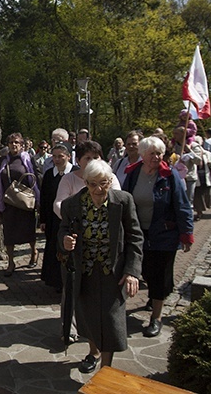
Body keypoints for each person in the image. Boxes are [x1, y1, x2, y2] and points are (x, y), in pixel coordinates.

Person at [58, 160, 143, 373]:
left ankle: (106, 367)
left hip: (112, 271)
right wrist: (65, 240)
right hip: (84, 270)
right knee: (87, 315)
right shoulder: (72, 205)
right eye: (93, 184)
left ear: (111, 181)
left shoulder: (123, 201)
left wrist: (132, 271)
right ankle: (93, 351)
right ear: (85, 183)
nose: (98, 189)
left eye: (103, 183)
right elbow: (62, 231)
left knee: (111, 319)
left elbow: (135, 237)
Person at [123, 136, 193, 338]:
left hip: (164, 235)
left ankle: (156, 317)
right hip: (138, 234)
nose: (156, 157)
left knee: (160, 276)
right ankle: (155, 297)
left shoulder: (169, 176)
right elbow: (125, 200)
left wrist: (186, 234)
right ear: (143, 155)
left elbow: (182, 205)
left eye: (159, 153)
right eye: (152, 153)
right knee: (144, 270)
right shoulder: (134, 173)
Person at [0, 132, 40, 277]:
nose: (14, 145)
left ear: (22, 145)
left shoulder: (28, 159)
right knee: (8, 233)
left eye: (17, 143)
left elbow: (35, 178)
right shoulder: (3, 160)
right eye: (11, 143)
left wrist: (37, 199)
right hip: (8, 202)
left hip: (25, 202)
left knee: (29, 230)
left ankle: (34, 251)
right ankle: (10, 262)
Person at [54, 141, 120, 220]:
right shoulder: (68, 179)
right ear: (78, 160)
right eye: (88, 158)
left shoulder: (111, 177)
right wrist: (73, 219)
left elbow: (117, 199)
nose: (92, 161)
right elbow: (58, 204)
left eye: (95, 157)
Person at [39, 144, 73, 292]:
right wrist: (43, 220)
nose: (57, 159)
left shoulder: (75, 173)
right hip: (53, 220)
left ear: (68, 156)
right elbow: (45, 199)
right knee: (54, 249)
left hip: (71, 219)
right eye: (54, 156)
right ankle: (56, 281)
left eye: (61, 156)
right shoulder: (48, 174)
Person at [171, 126, 203, 206]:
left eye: (176, 134)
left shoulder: (194, 145)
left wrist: (189, 150)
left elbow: (198, 161)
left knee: (188, 202)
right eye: (173, 133)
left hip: (189, 177)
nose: (174, 136)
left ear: (183, 134)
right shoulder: (172, 146)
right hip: (176, 177)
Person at [193, 135, 211, 220]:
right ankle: (199, 212)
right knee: (197, 195)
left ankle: (203, 209)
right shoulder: (192, 154)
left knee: (206, 194)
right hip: (196, 176)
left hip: (205, 177)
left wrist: (210, 164)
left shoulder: (207, 153)